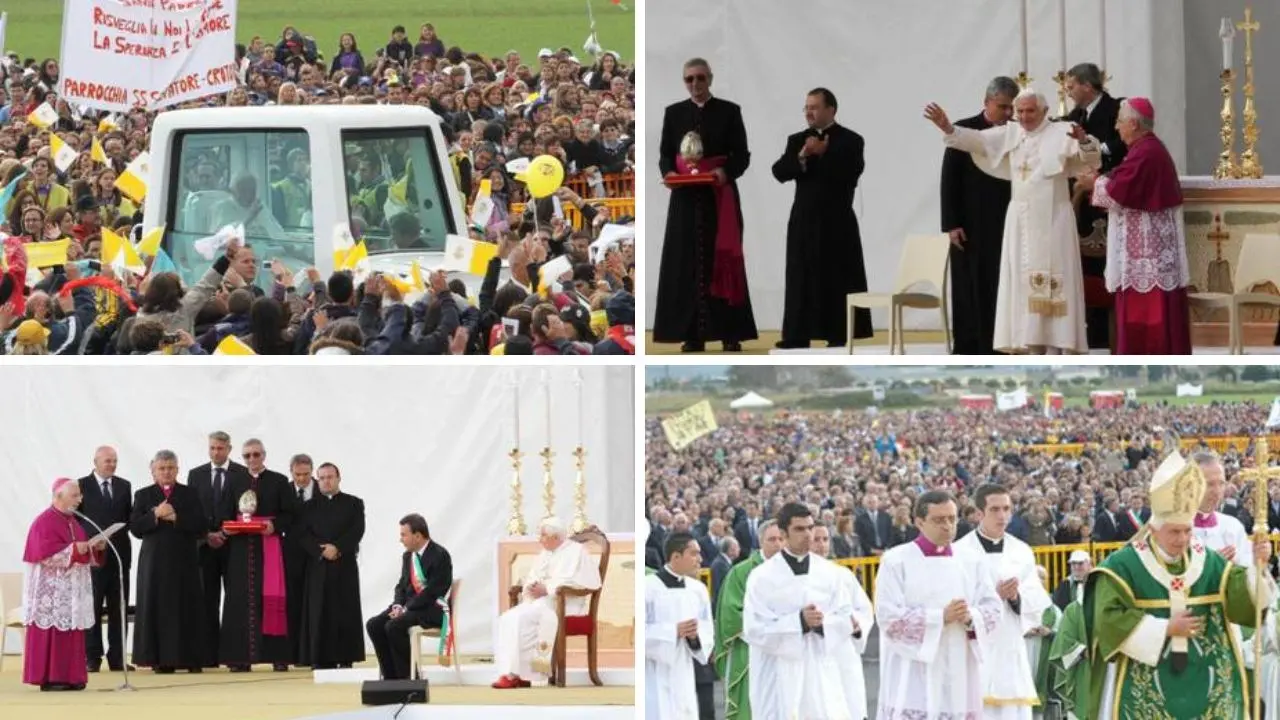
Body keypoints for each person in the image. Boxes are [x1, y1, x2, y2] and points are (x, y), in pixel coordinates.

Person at [1084, 450, 1272, 717]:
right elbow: (1107, 620)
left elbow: (1242, 600)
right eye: (1174, 531)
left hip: (1206, 685)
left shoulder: (1207, 561)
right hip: (1149, 682)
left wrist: (1257, 568)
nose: (1182, 539)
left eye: (1187, 530)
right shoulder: (1123, 566)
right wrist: (1164, 628)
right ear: (1152, 529)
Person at [924, 89, 1102, 354]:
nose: (1025, 116)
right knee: (1021, 277)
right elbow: (977, 141)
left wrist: (1084, 140)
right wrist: (948, 128)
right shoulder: (1011, 133)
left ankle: (1058, 342)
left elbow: (1092, 159)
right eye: (1020, 111)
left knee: (1056, 276)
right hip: (1020, 219)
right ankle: (1027, 341)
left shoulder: (1062, 132)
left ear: (1044, 111)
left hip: (1054, 219)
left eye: (1030, 111)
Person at [654, 57, 757, 352]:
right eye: (689, 79)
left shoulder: (729, 112)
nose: (695, 84)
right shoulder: (674, 113)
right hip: (685, 200)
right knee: (686, 263)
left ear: (710, 78)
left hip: (718, 198)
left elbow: (742, 155)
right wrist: (669, 173)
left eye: (700, 78)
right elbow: (665, 154)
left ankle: (730, 332)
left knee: (723, 260)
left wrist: (724, 173)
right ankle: (692, 334)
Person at [875, 490, 1002, 718]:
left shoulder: (971, 560)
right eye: (939, 520)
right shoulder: (896, 560)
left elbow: (993, 609)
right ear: (920, 522)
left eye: (952, 519)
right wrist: (939, 617)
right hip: (913, 669)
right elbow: (888, 617)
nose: (948, 526)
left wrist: (970, 616)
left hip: (959, 667)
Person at [1077, 97, 1190, 355]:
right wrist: (1101, 179)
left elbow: (1120, 191)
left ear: (1133, 123)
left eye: (1119, 122)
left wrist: (1093, 182)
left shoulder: (1147, 152)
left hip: (1146, 256)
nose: (1117, 128)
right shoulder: (1145, 149)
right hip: (1146, 248)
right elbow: (1123, 178)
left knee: (1148, 316)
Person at [743, 502, 867, 719]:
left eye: (810, 527)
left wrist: (824, 623)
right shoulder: (762, 577)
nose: (808, 534)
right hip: (779, 673)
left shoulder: (830, 573)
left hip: (821, 667)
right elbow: (754, 629)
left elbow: (844, 617)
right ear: (783, 534)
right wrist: (798, 622)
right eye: (799, 529)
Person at [770, 88, 870, 349]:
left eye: (814, 107)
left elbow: (851, 173)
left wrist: (824, 153)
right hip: (804, 219)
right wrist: (803, 155)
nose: (809, 112)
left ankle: (837, 332)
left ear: (831, 110)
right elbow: (779, 172)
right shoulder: (798, 140)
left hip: (837, 221)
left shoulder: (851, 140)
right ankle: (797, 334)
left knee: (837, 276)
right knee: (801, 277)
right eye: (806, 107)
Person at [953, 484, 1053, 718]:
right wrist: (992, 598)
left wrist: (1016, 598)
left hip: (1009, 645)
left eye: (1006, 509)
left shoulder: (1021, 551)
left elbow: (1036, 599)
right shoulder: (959, 552)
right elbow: (954, 600)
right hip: (974, 648)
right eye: (994, 509)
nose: (1002, 515)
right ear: (979, 513)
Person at [940, 77, 1017, 355]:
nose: (1008, 113)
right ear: (987, 103)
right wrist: (951, 223)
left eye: (1012, 108)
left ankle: (1003, 345)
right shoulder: (965, 129)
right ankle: (971, 346)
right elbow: (949, 179)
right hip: (970, 222)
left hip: (1007, 220)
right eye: (1003, 107)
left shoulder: (1017, 131)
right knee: (970, 285)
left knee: (1003, 283)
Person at [492, 517, 602, 689]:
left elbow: (588, 582)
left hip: (566, 604)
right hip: (542, 602)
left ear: (555, 537)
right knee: (507, 618)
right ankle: (516, 674)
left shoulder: (576, 552)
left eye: (543, 535)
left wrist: (548, 589)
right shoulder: (545, 553)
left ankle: (515, 675)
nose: (539, 539)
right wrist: (531, 588)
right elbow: (533, 577)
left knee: (524, 619)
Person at [21, 478, 106, 691]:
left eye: (79, 495)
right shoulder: (44, 521)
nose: (79, 499)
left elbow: (79, 551)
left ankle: (71, 677)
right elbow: (44, 554)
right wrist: (77, 549)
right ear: (58, 496)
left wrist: (95, 548)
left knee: (71, 633)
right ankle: (52, 677)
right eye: (74, 495)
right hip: (51, 593)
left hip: (70, 592)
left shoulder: (73, 521)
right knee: (54, 632)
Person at [1065, 62, 1127, 351]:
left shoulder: (1118, 107)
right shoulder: (1076, 115)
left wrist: (1094, 146)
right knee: (1083, 264)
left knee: (1107, 264)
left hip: (1109, 197)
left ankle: (1110, 330)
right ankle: (1090, 329)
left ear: (1087, 86)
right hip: (1081, 205)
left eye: (1071, 86)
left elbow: (1122, 144)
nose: (1068, 91)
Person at [219, 438, 296, 671]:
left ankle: (278, 657)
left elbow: (291, 514)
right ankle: (239, 658)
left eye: (256, 454)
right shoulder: (234, 480)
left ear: (264, 455)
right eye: (247, 456)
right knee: (239, 601)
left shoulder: (279, 481)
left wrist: (275, 525)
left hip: (269, 548)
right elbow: (224, 513)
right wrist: (227, 527)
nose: (252, 459)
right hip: (241, 550)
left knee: (272, 598)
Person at [129, 450, 208, 673]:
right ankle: (161, 660)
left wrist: (176, 517)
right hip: (154, 563)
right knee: (158, 608)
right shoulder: (143, 495)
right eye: (162, 468)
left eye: (170, 468)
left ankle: (190, 658)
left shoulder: (190, 493)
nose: (166, 472)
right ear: (153, 471)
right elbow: (135, 528)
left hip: (185, 561)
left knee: (187, 608)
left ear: (177, 469)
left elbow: (202, 526)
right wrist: (155, 515)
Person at [295, 462, 366, 670]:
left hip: (344, 566)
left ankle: (345, 657)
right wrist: (321, 550)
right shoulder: (308, 507)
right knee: (319, 611)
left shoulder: (354, 503)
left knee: (345, 610)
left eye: (330, 477)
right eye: (322, 477)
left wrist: (338, 548)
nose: (326, 481)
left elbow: (357, 530)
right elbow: (303, 534)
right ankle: (319, 657)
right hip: (318, 566)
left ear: (338, 478)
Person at [366, 514, 454, 681]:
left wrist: (406, 609)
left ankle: (408, 677)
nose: (401, 539)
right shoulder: (408, 556)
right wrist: (398, 606)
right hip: (409, 608)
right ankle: (390, 676)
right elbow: (401, 585)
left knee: (393, 626)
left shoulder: (440, 555)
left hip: (431, 609)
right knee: (374, 624)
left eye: (403, 535)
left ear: (418, 535)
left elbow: (433, 592)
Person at [188, 430, 250, 667]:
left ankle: (236, 657)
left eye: (221, 448)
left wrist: (224, 533)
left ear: (229, 450)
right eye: (212, 448)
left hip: (235, 545)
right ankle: (208, 655)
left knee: (236, 601)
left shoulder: (242, 474)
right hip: (205, 547)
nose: (216, 452)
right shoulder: (196, 475)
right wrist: (207, 535)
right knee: (206, 600)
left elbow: (246, 508)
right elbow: (193, 511)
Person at [714, 519, 783, 720]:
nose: (778, 544)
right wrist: (769, 631)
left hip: (787, 647)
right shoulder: (741, 572)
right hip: (750, 651)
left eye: (781, 539)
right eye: (772, 539)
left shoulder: (792, 571)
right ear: (760, 541)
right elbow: (731, 613)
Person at [809, 514, 876, 720]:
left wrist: (858, 627)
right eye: (816, 540)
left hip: (845, 652)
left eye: (825, 539)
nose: (821, 545)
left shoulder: (843, 575)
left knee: (850, 704)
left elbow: (863, 609)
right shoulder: (800, 578)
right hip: (816, 652)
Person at [645, 531, 714, 720]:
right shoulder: (647, 588)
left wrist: (695, 638)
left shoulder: (698, 590)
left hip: (684, 669)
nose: (700, 559)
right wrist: (672, 631)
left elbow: (707, 629)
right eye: (694, 553)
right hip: (653, 671)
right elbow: (635, 634)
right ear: (675, 556)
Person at [76, 445, 132, 673]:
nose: (112, 465)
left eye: (115, 461)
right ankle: (92, 656)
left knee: (119, 608)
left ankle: (118, 657)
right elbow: (75, 519)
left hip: (119, 555)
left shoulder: (124, 485)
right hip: (93, 557)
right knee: (93, 608)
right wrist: (88, 540)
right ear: (96, 462)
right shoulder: (81, 485)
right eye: (108, 461)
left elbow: (129, 517)